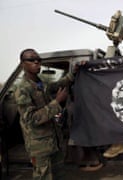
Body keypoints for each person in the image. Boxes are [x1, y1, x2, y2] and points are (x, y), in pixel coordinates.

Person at [14, 48, 95, 179]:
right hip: (39, 146)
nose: (36, 62)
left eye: (38, 60)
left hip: (53, 141)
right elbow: (31, 119)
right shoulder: (22, 89)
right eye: (31, 60)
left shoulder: (41, 83)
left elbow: (59, 84)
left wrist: (73, 72)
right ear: (22, 63)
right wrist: (57, 102)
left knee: (59, 175)